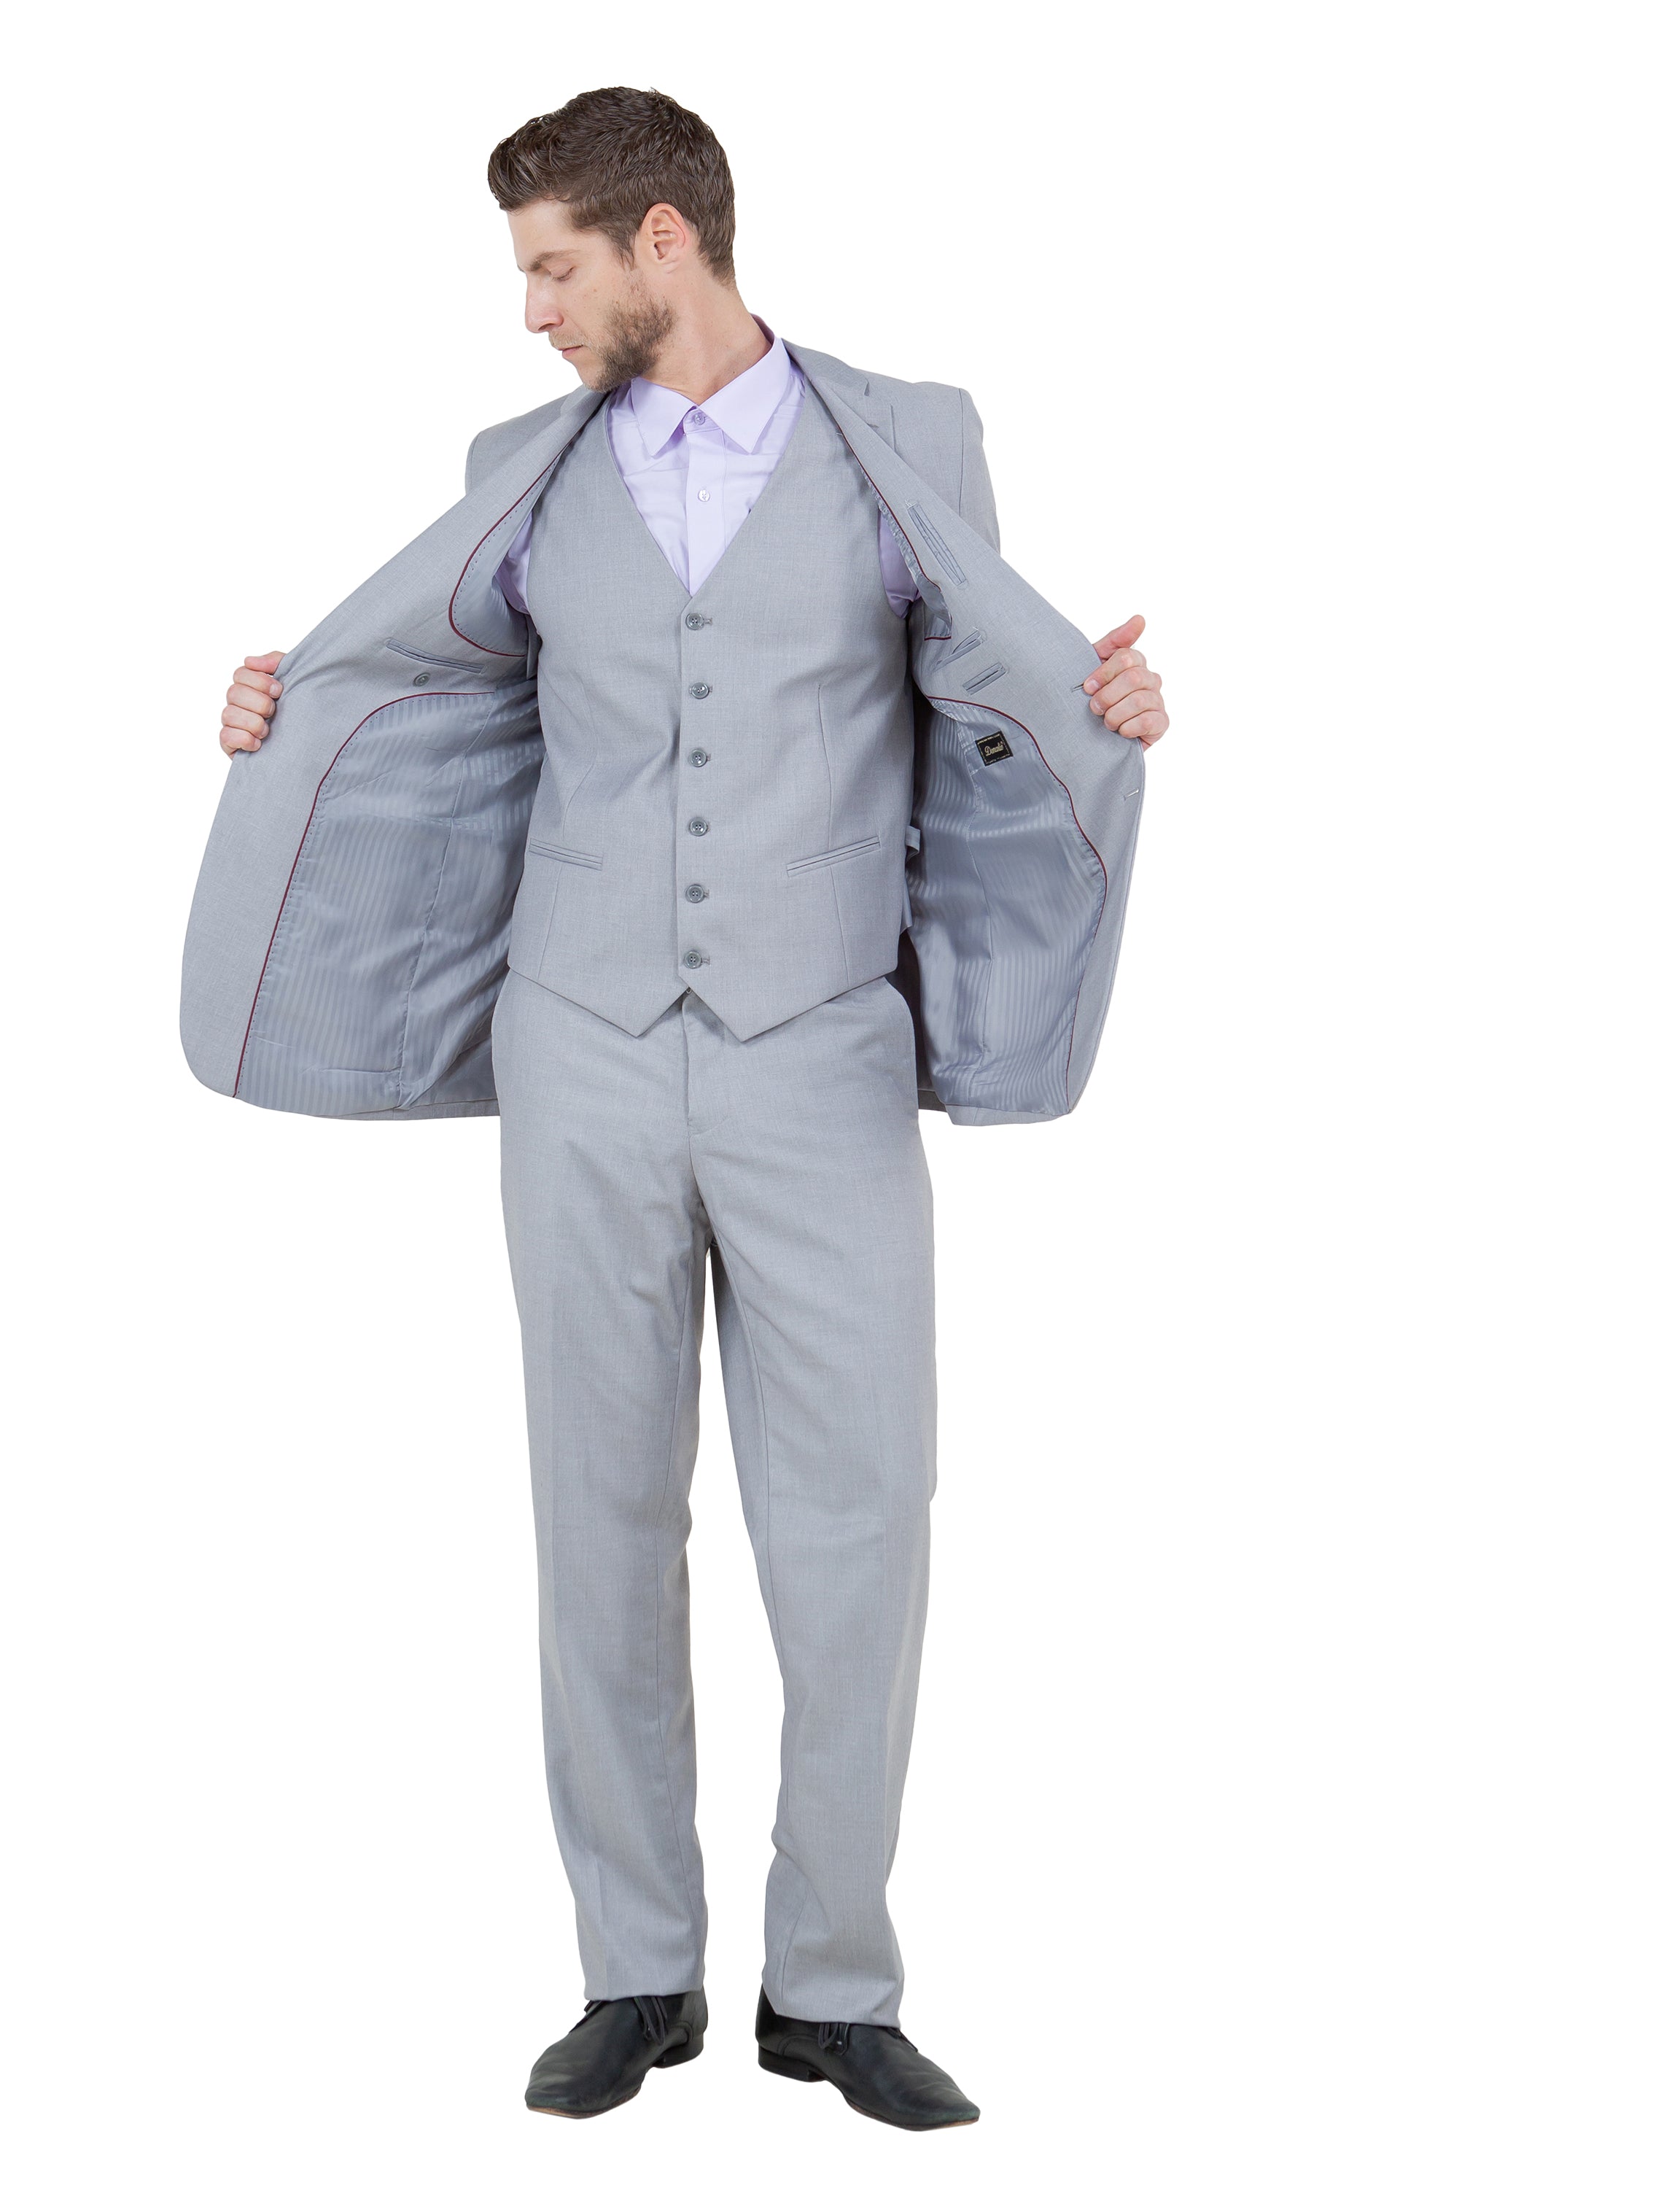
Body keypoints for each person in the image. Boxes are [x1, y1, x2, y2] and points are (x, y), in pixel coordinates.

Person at [187, 86, 1170, 2133]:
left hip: (826, 1051)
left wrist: (1102, 714)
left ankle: (834, 1988)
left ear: (664, 241)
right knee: (600, 1516)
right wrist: (284, 717)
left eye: (553, 266)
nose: (531, 311)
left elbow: (992, 689)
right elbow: (425, 691)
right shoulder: (517, 472)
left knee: (862, 1520)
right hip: (582, 1047)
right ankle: (634, 1972)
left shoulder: (914, 439)